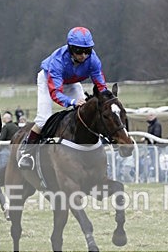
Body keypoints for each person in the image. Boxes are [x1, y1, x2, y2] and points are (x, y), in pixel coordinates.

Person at [18, 27, 108, 170]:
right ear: (71, 49)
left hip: (71, 82)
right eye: (79, 51)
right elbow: (56, 93)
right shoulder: (58, 61)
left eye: (87, 51)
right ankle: (27, 153)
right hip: (49, 81)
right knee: (43, 119)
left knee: (85, 113)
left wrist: (107, 100)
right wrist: (72, 102)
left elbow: (101, 85)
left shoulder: (93, 60)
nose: (83, 55)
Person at [144, 112, 162, 181]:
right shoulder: (151, 125)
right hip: (151, 147)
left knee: (156, 163)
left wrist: (148, 138)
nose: (149, 117)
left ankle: (159, 178)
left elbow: (156, 135)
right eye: (149, 115)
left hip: (155, 147)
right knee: (153, 163)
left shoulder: (157, 124)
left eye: (151, 115)